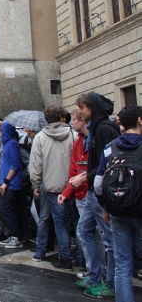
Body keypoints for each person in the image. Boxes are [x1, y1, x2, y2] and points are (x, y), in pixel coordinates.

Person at [70, 93, 120, 298]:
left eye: (82, 108)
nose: (79, 112)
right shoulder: (97, 129)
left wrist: (84, 178)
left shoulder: (103, 130)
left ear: (92, 108)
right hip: (93, 190)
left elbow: (107, 164)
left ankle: (110, 282)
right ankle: (93, 276)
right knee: (84, 230)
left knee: (109, 238)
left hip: (100, 192)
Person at [95, 105, 142, 302]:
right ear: (140, 121)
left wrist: (106, 208)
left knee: (122, 264)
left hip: (118, 211)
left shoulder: (110, 147)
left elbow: (98, 184)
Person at [29, 106, 75, 268]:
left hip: (49, 185)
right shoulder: (73, 134)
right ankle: (80, 257)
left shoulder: (40, 137)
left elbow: (35, 164)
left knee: (50, 219)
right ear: (62, 117)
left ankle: (60, 255)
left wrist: (35, 184)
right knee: (74, 221)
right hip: (72, 185)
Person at [58, 110, 89, 269]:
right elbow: (74, 168)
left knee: (87, 232)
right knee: (84, 231)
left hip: (87, 191)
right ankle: (89, 267)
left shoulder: (89, 140)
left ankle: (93, 270)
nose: (72, 123)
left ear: (83, 121)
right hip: (79, 192)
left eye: (75, 120)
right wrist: (67, 192)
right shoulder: (78, 141)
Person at [0, 121, 24, 249]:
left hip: (11, 183)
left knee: (5, 208)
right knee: (5, 208)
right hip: (6, 182)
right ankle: (12, 235)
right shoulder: (7, 144)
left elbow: (15, 164)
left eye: (1, 130)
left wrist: (6, 182)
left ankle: (15, 236)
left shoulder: (12, 144)